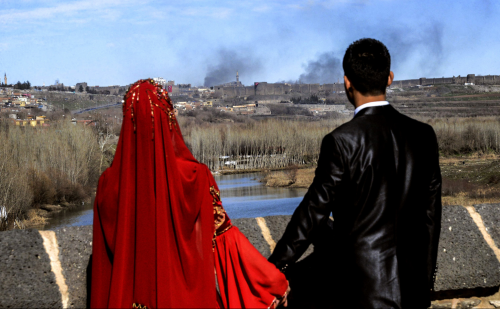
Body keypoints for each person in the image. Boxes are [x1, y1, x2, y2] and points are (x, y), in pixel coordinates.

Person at [268, 38, 442, 309]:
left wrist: (275, 268)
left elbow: (312, 214)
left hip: (361, 293)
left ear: (346, 82)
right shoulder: (424, 136)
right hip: (413, 291)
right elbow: (431, 219)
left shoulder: (341, 141)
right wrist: (425, 282)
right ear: (390, 78)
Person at [91, 79, 289, 308]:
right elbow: (225, 239)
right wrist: (273, 281)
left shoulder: (107, 185)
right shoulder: (194, 177)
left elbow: (103, 267)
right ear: (169, 119)